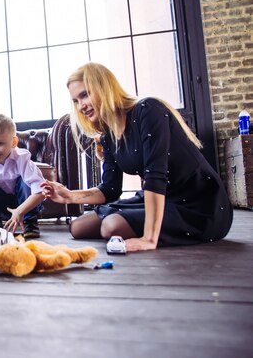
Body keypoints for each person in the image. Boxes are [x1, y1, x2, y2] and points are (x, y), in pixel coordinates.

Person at [41, 62, 233, 252]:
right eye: (75, 101)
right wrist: (69, 196)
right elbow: (110, 189)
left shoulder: (148, 110)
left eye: (85, 95)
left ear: (104, 87)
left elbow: (155, 176)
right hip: (163, 198)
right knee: (78, 227)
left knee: (111, 226)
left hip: (199, 204)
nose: (81, 106)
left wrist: (149, 239)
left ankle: (152, 230)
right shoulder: (108, 136)